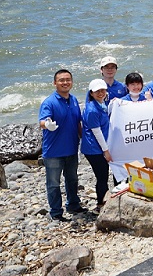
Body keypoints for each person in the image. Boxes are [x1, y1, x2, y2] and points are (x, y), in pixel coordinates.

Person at [38, 69, 86, 221]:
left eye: (68, 80)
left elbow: (78, 122)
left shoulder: (73, 100)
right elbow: (42, 122)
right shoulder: (49, 102)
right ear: (55, 83)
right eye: (61, 80)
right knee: (53, 183)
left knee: (72, 179)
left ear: (72, 82)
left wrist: (83, 139)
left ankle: (73, 204)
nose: (65, 83)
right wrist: (47, 124)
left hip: (72, 148)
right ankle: (56, 212)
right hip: (53, 152)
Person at [81, 79, 112, 211]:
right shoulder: (92, 110)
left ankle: (103, 201)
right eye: (97, 91)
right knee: (102, 176)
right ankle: (101, 204)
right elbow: (97, 132)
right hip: (94, 149)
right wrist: (106, 151)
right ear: (91, 93)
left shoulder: (101, 104)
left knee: (103, 175)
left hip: (97, 147)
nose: (101, 93)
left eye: (103, 90)